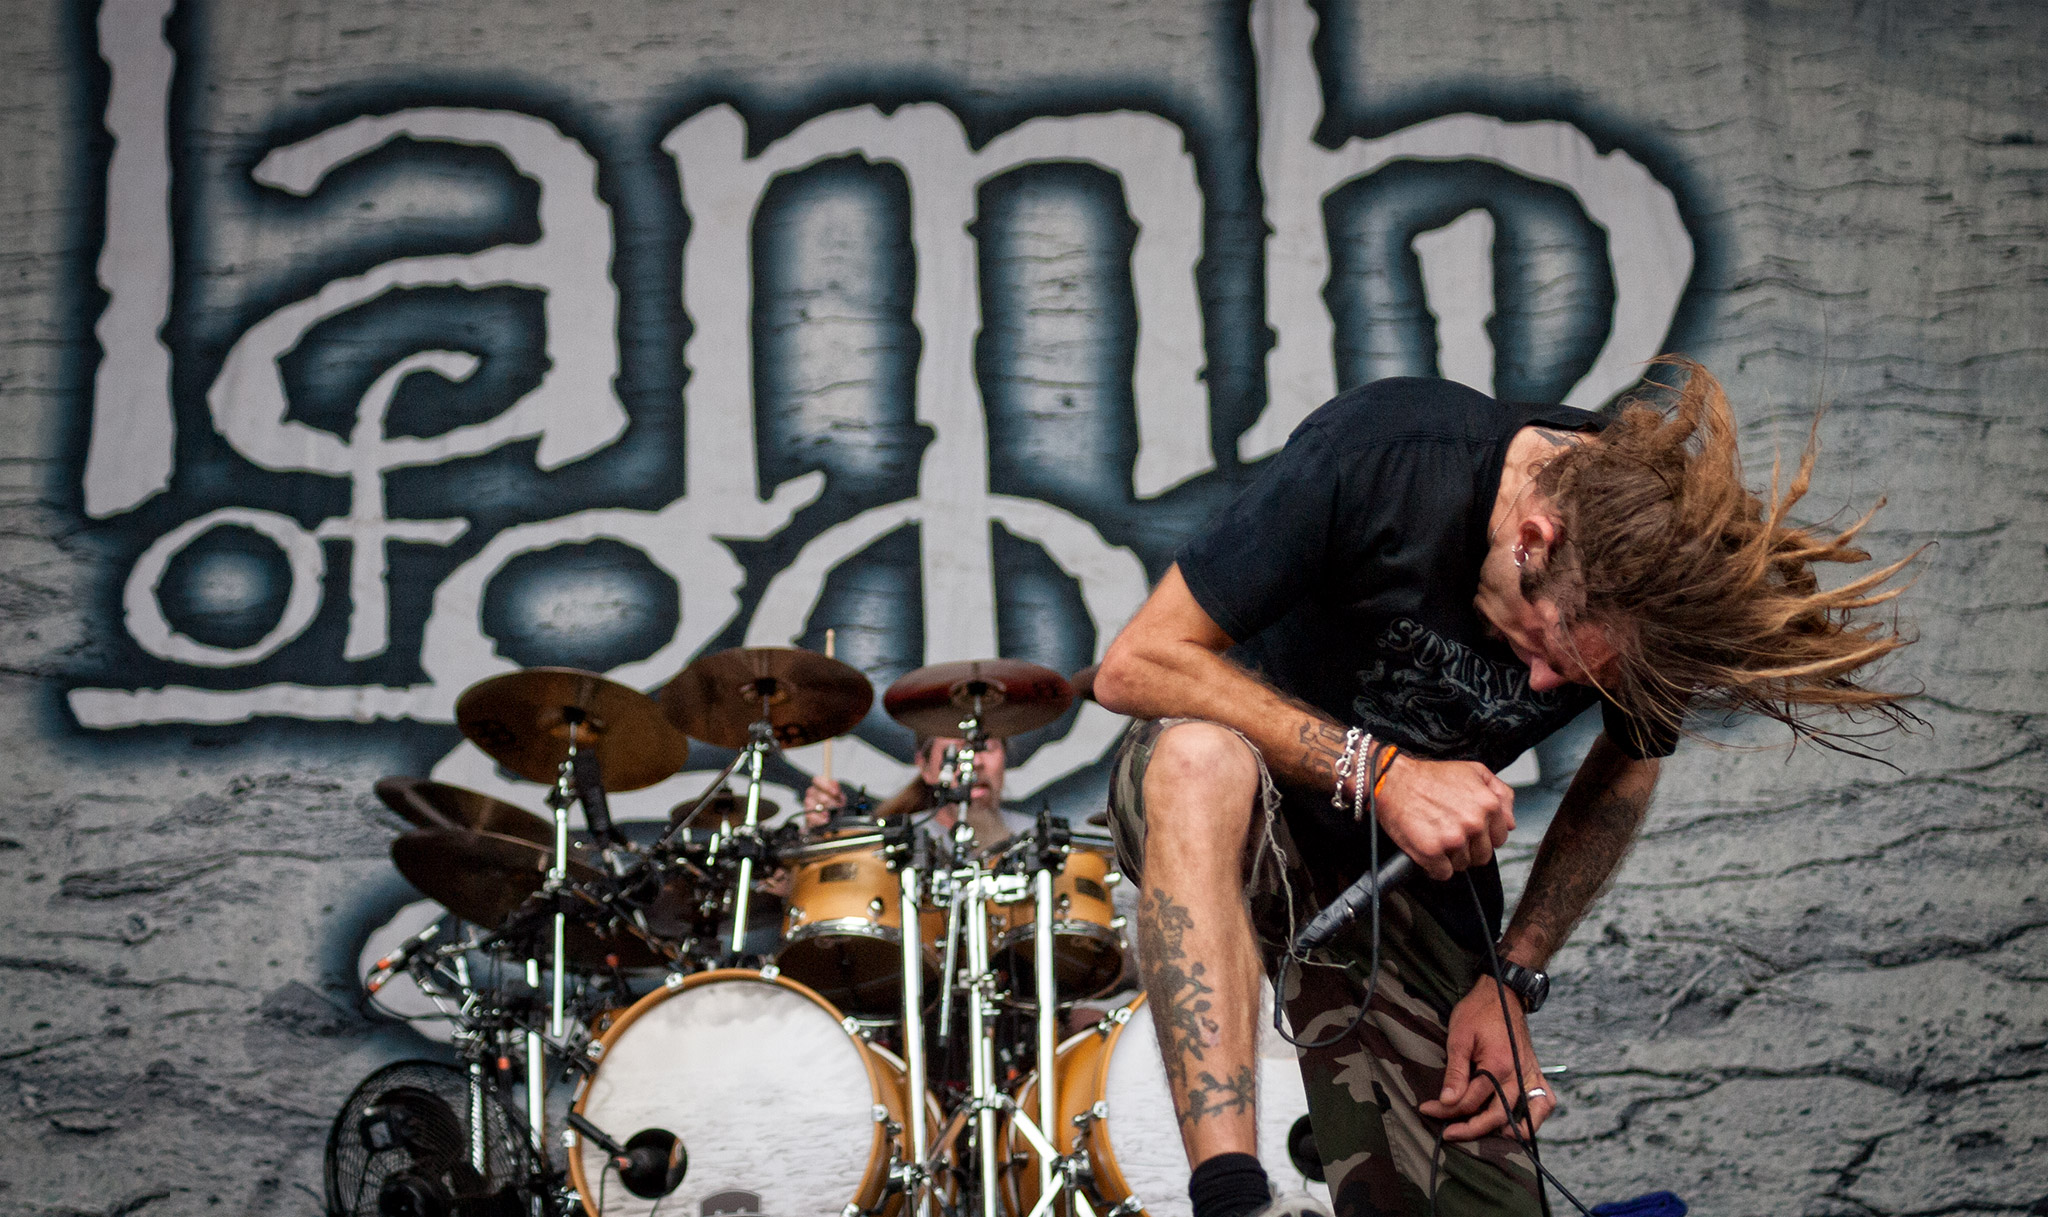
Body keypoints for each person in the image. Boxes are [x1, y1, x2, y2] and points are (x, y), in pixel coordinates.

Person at [1090, 361, 1916, 1217]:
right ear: (1533, 539)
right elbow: (1134, 664)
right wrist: (1379, 770)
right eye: (1549, 650)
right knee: (1197, 760)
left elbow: (1627, 765)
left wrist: (1513, 978)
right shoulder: (1388, 455)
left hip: (1399, 871)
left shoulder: (1648, 577)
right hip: (1238, 797)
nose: (1546, 690)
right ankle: (1228, 1199)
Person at [802, 733, 1016, 845]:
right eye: (957, 750)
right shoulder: (890, 842)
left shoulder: (1035, 837)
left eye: (986, 747)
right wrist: (819, 833)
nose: (975, 761)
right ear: (925, 767)